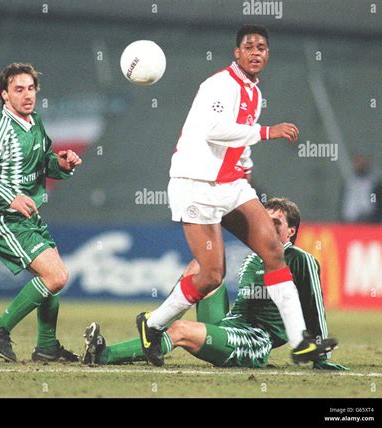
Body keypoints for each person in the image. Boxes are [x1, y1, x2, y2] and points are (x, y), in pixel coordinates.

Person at [134, 24, 337, 366]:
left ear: (267, 55)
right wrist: (267, 131)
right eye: (249, 46)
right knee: (211, 275)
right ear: (237, 53)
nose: (256, 52)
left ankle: (301, 341)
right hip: (195, 182)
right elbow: (212, 130)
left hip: (230, 184)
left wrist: (244, 164)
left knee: (274, 250)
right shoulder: (219, 85)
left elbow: (237, 140)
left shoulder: (254, 92)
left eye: (262, 47)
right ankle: (152, 324)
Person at [83, 198, 346, 371]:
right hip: (231, 324)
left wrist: (321, 359)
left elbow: (314, 307)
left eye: (276, 223)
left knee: (179, 330)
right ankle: (159, 321)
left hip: (255, 340)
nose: (267, 227)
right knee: (201, 267)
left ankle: (105, 353)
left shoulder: (299, 259)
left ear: (291, 232)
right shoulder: (254, 257)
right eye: (264, 221)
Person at [0, 63, 82, 362]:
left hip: (28, 216)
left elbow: (42, 163)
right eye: (18, 89)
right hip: (4, 219)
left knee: (51, 278)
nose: (27, 95)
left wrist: (61, 164)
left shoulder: (34, 122)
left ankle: (46, 347)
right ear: (5, 95)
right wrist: (11, 197)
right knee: (56, 276)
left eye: (31, 88)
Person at [339, 153, 382, 223]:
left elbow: (375, 200)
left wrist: (375, 216)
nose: (357, 164)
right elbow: (344, 201)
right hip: (349, 221)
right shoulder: (350, 181)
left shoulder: (374, 181)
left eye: (360, 161)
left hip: (367, 221)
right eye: (356, 161)